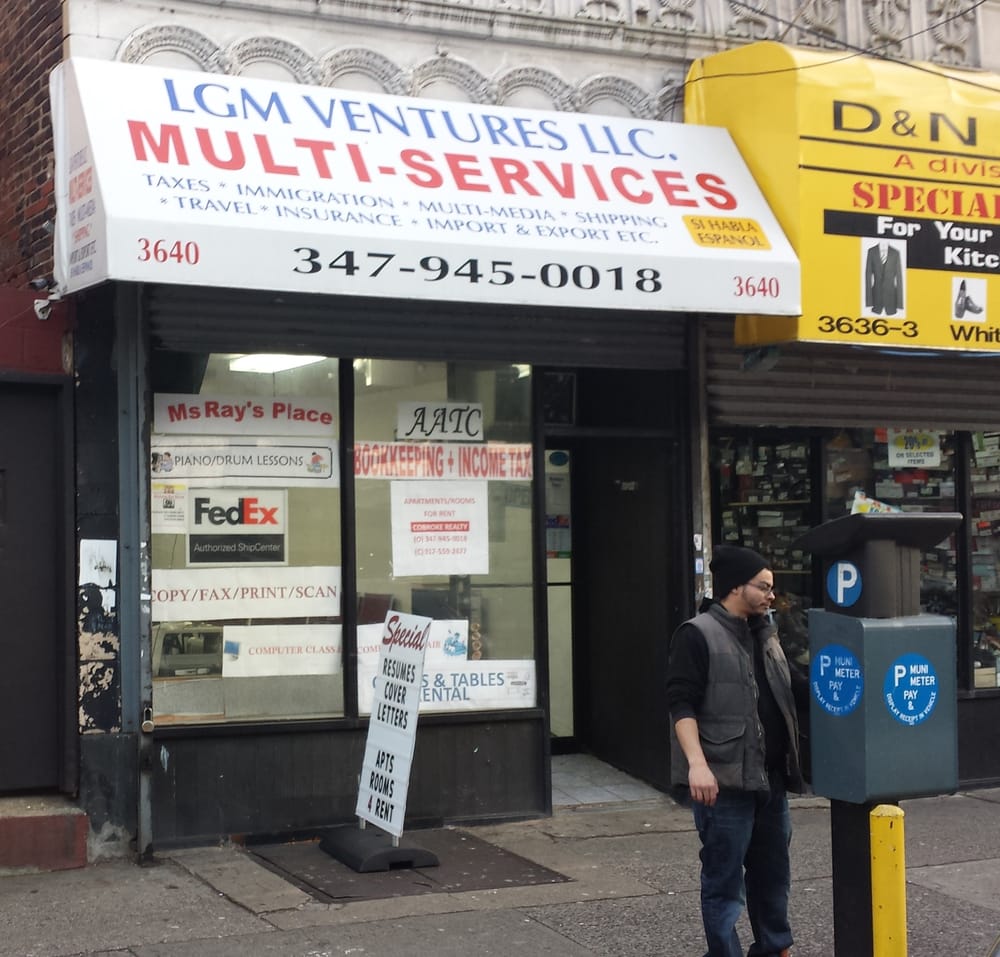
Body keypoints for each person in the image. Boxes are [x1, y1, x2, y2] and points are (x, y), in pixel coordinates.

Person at [666, 545, 805, 957]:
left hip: (770, 780)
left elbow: (795, 688)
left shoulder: (766, 635)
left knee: (773, 875)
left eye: (772, 588)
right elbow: (681, 703)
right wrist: (697, 765)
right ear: (735, 587)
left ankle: (774, 948)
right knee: (724, 883)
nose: (771, 596)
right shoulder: (697, 634)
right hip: (723, 784)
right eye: (763, 587)